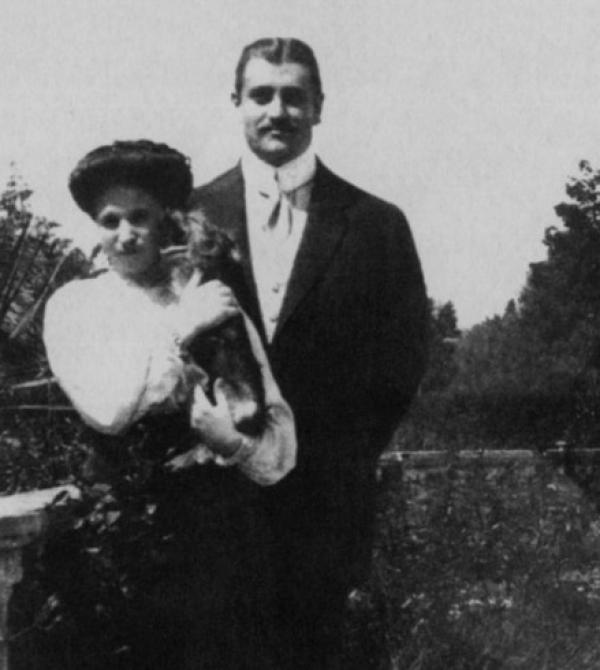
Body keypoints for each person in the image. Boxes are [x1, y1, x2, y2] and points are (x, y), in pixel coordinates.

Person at [188, 37, 429, 669]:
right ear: (236, 102)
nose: (277, 111)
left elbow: (403, 361)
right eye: (261, 95)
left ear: (319, 106)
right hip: (211, 507)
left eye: (294, 97)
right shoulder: (189, 215)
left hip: (324, 510)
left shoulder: (376, 224)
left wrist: (338, 462)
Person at [43, 140, 296, 669]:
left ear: (166, 220)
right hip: (126, 544)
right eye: (110, 220)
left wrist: (234, 443)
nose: (126, 233)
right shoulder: (77, 307)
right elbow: (109, 411)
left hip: (223, 546)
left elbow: (277, 437)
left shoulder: (208, 292)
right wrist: (181, 327)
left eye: (140, 217)